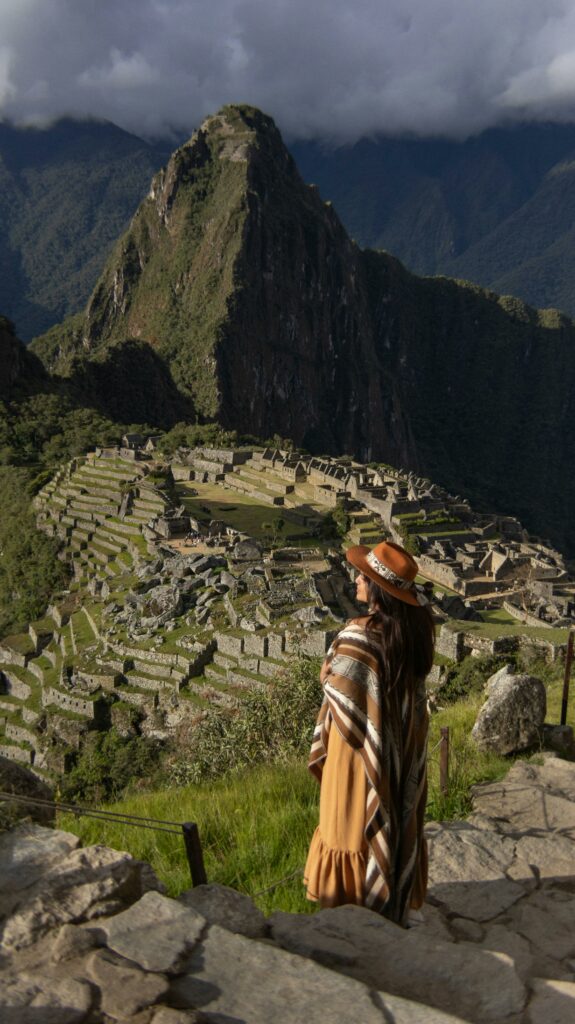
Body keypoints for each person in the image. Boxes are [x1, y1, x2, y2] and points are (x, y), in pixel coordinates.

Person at [304, 540, 435, 927]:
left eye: (363, 576)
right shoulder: (412, 636)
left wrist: (329, 672)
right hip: (398, 748)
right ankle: (387, 890)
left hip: (356, 752)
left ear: (377, 587)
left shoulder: (358, 635)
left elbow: (334, 683)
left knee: (347, 827)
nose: (357, 580)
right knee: (390, 811)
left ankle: (348, 914)